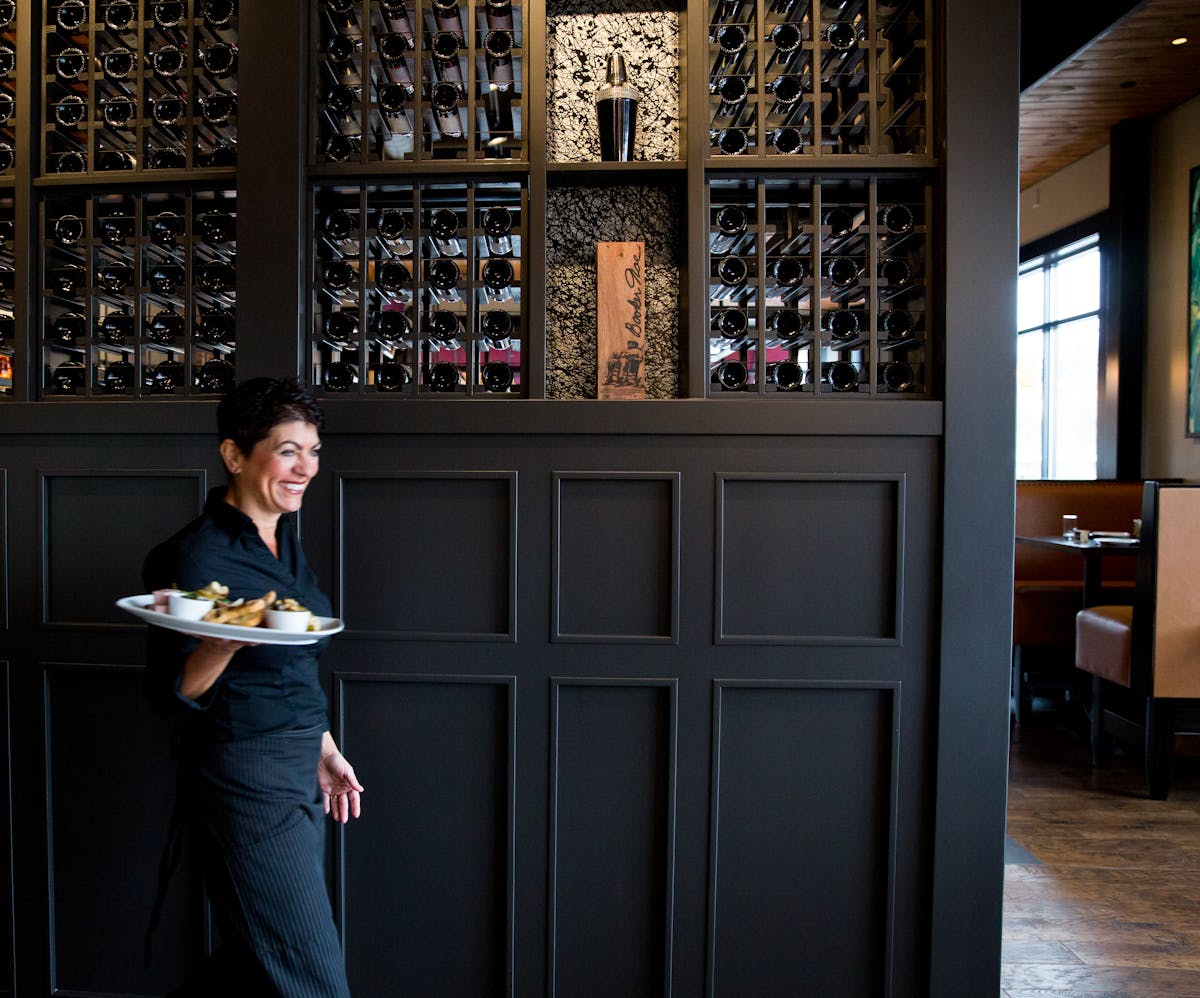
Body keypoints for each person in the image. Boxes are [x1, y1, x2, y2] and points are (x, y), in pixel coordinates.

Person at [142, 376, 362, 997]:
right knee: (309, 977)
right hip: (245, 771)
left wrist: (321, 747)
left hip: (296, 764)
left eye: (313, 450)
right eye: (288, 449)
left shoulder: (283, 541)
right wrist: (224, 643)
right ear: (235, 455)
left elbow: (293, 664)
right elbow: (167, 694)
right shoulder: (191, 558)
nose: (306, 467)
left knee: (261, 958)